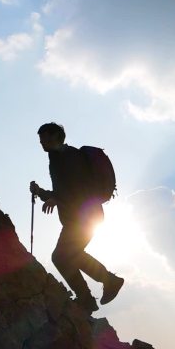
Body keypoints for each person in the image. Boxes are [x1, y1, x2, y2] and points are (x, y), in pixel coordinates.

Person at [30, 122, 124, 312]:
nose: (41, 143)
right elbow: (63, 190)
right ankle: (95, 292)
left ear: (56, 136)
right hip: (81, 217)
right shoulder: (57, 158)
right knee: (68, 256)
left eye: (44, 138)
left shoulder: (68, 156)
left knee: (61, 256)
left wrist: (56, 198)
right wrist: (41, 192)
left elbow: (79, 189)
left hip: (85, 216)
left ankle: (97, 290)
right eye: (40, 140)